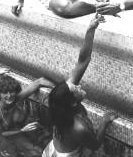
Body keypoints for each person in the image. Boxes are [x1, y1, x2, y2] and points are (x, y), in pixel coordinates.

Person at [42, 15, 116, 157]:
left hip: (54, 150)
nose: (77, 85)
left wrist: (90, 28)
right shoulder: (78, 127)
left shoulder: (62, 103)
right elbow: (95, 144)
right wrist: (105, 121)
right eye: (75, 89)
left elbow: (83, 60)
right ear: (73, 102)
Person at [0, 73, 54, 156]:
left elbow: (40, 81)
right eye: (5, 93)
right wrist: (22, 130)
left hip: (19, 132)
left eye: (11, 92)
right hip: (4, 140)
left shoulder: (16, 99)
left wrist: (61, 89)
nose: (9, 96)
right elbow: (0, 135)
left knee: (37, 151)